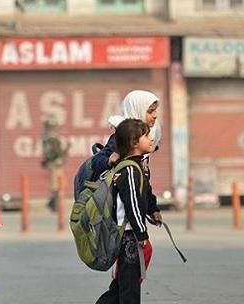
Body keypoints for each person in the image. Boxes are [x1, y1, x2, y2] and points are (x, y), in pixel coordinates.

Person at [95, 119, 154, 304]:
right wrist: (141, 232)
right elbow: (132, 204)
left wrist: (154, 209)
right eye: (146, 136)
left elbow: (146, 192)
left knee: (122, 286)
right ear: (133, 142)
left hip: (128, 233)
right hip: (127, 235)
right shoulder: (129, 169)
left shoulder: (137, 166)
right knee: (129, 286)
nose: (151, 139)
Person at [92, 90, 163, 225]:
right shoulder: (123, 140)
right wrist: (109, 160)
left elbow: (143, 182)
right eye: (150, 111)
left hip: (132, 221)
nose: (155, 116)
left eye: (155, 111)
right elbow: (96, 161)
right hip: (118, 223)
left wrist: (152, 209)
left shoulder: (141, 144)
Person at [41, 118, 70, 211]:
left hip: (53, 163)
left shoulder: (45, 138)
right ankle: (54, 204)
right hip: (55, 163)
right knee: (57, 184)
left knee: (57, 184)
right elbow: (58, 152)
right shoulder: (52, 138)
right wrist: (66, 149)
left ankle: (54, 204)